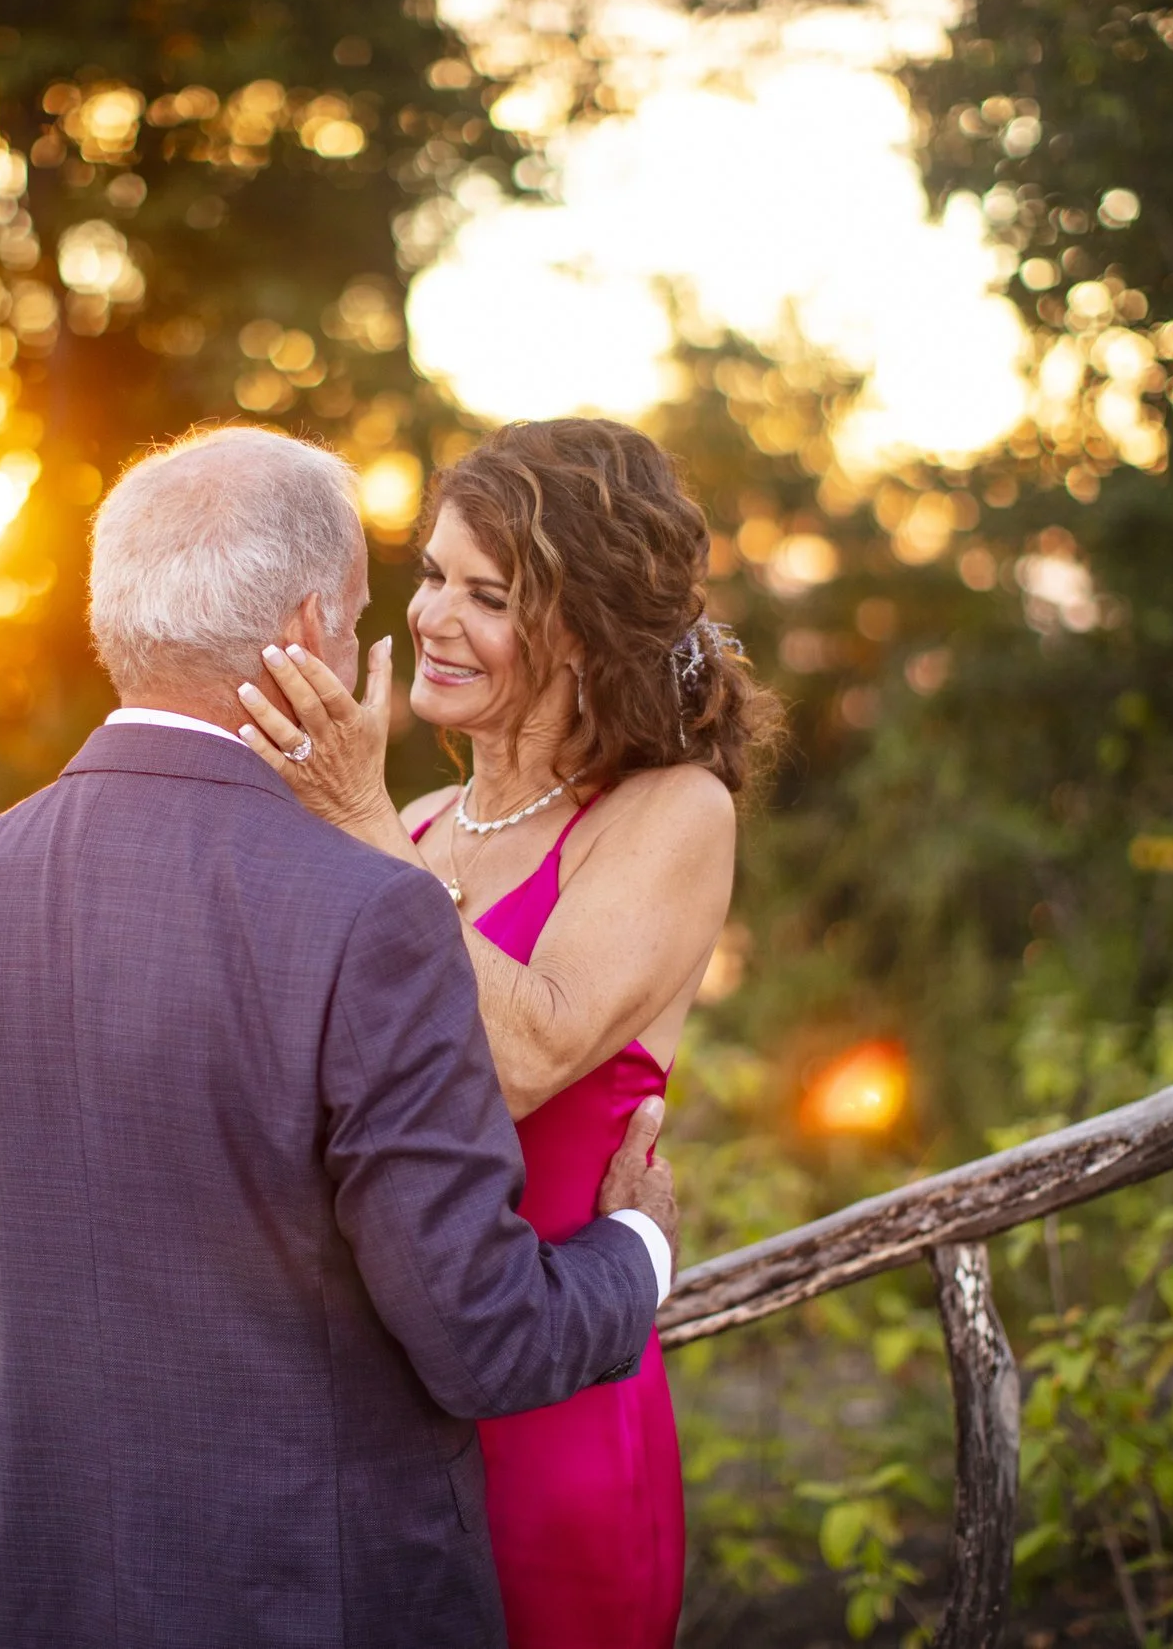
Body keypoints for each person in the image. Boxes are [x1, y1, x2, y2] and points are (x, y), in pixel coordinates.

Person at [0, 425, 682, 1649]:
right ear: (311, 624)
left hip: (52, 1599)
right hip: (320, 1603)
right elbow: (486, 1340)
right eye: (376, 604)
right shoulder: (372, 909)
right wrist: (639, 1248)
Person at [234, 417, 781, 1649]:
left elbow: (525, 1055)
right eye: (432, 573)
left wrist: (355, 819)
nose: (431, 615)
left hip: (552, 1401)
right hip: (379, 1414)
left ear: (581, 631)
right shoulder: (415, 820)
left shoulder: (665, 812)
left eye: (487, 594)